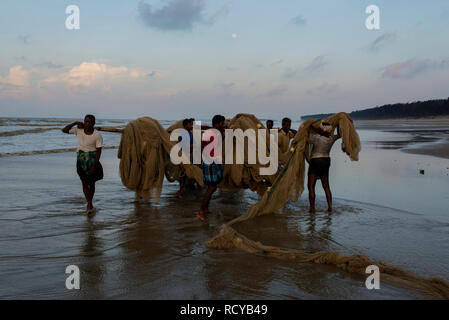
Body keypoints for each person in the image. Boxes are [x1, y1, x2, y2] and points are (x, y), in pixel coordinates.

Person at [62, 115, 103, 214]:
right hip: (81, 161)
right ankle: (89, 203)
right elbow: (64, 130)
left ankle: (90, 202)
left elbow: (98, 151)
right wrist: (75, 123)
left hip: (92, 160)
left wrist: (94, 166)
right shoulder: (78, 131)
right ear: (84, 122)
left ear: (93, 123)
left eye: (90, 122)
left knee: (92, 183)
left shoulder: (97, 135)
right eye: (86, 121)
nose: (87, 123)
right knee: (84, 182)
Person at [307, 121, 340, 213]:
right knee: (326, 186)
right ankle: (330, 207)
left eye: (320, 129)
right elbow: (340, 135)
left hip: (315, 161)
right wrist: (338, 125)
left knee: (311, 186)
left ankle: (312, 208)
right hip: (326, 161)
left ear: (322, 130)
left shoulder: (316, 138)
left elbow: (304, 136)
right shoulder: (331, 138)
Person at [197, 115, 226, 221]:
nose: (223, 125)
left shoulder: (212, 132)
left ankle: (205, 209)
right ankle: (200, 211)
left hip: (210, 161)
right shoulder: (213, 133)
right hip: (210, 162)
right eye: (222, 123)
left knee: (212, 186)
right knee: (212, 188)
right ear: (218, 123)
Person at [178, 118, 194, 197]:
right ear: (186, 125)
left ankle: (183, 189)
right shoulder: (183, 134)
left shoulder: (190, 133)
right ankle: (181, 190)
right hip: (181, 155)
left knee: (186, 173)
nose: (191, 126)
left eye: (192, 124)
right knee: (182, 173)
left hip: (188, 156)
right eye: (190, 124)